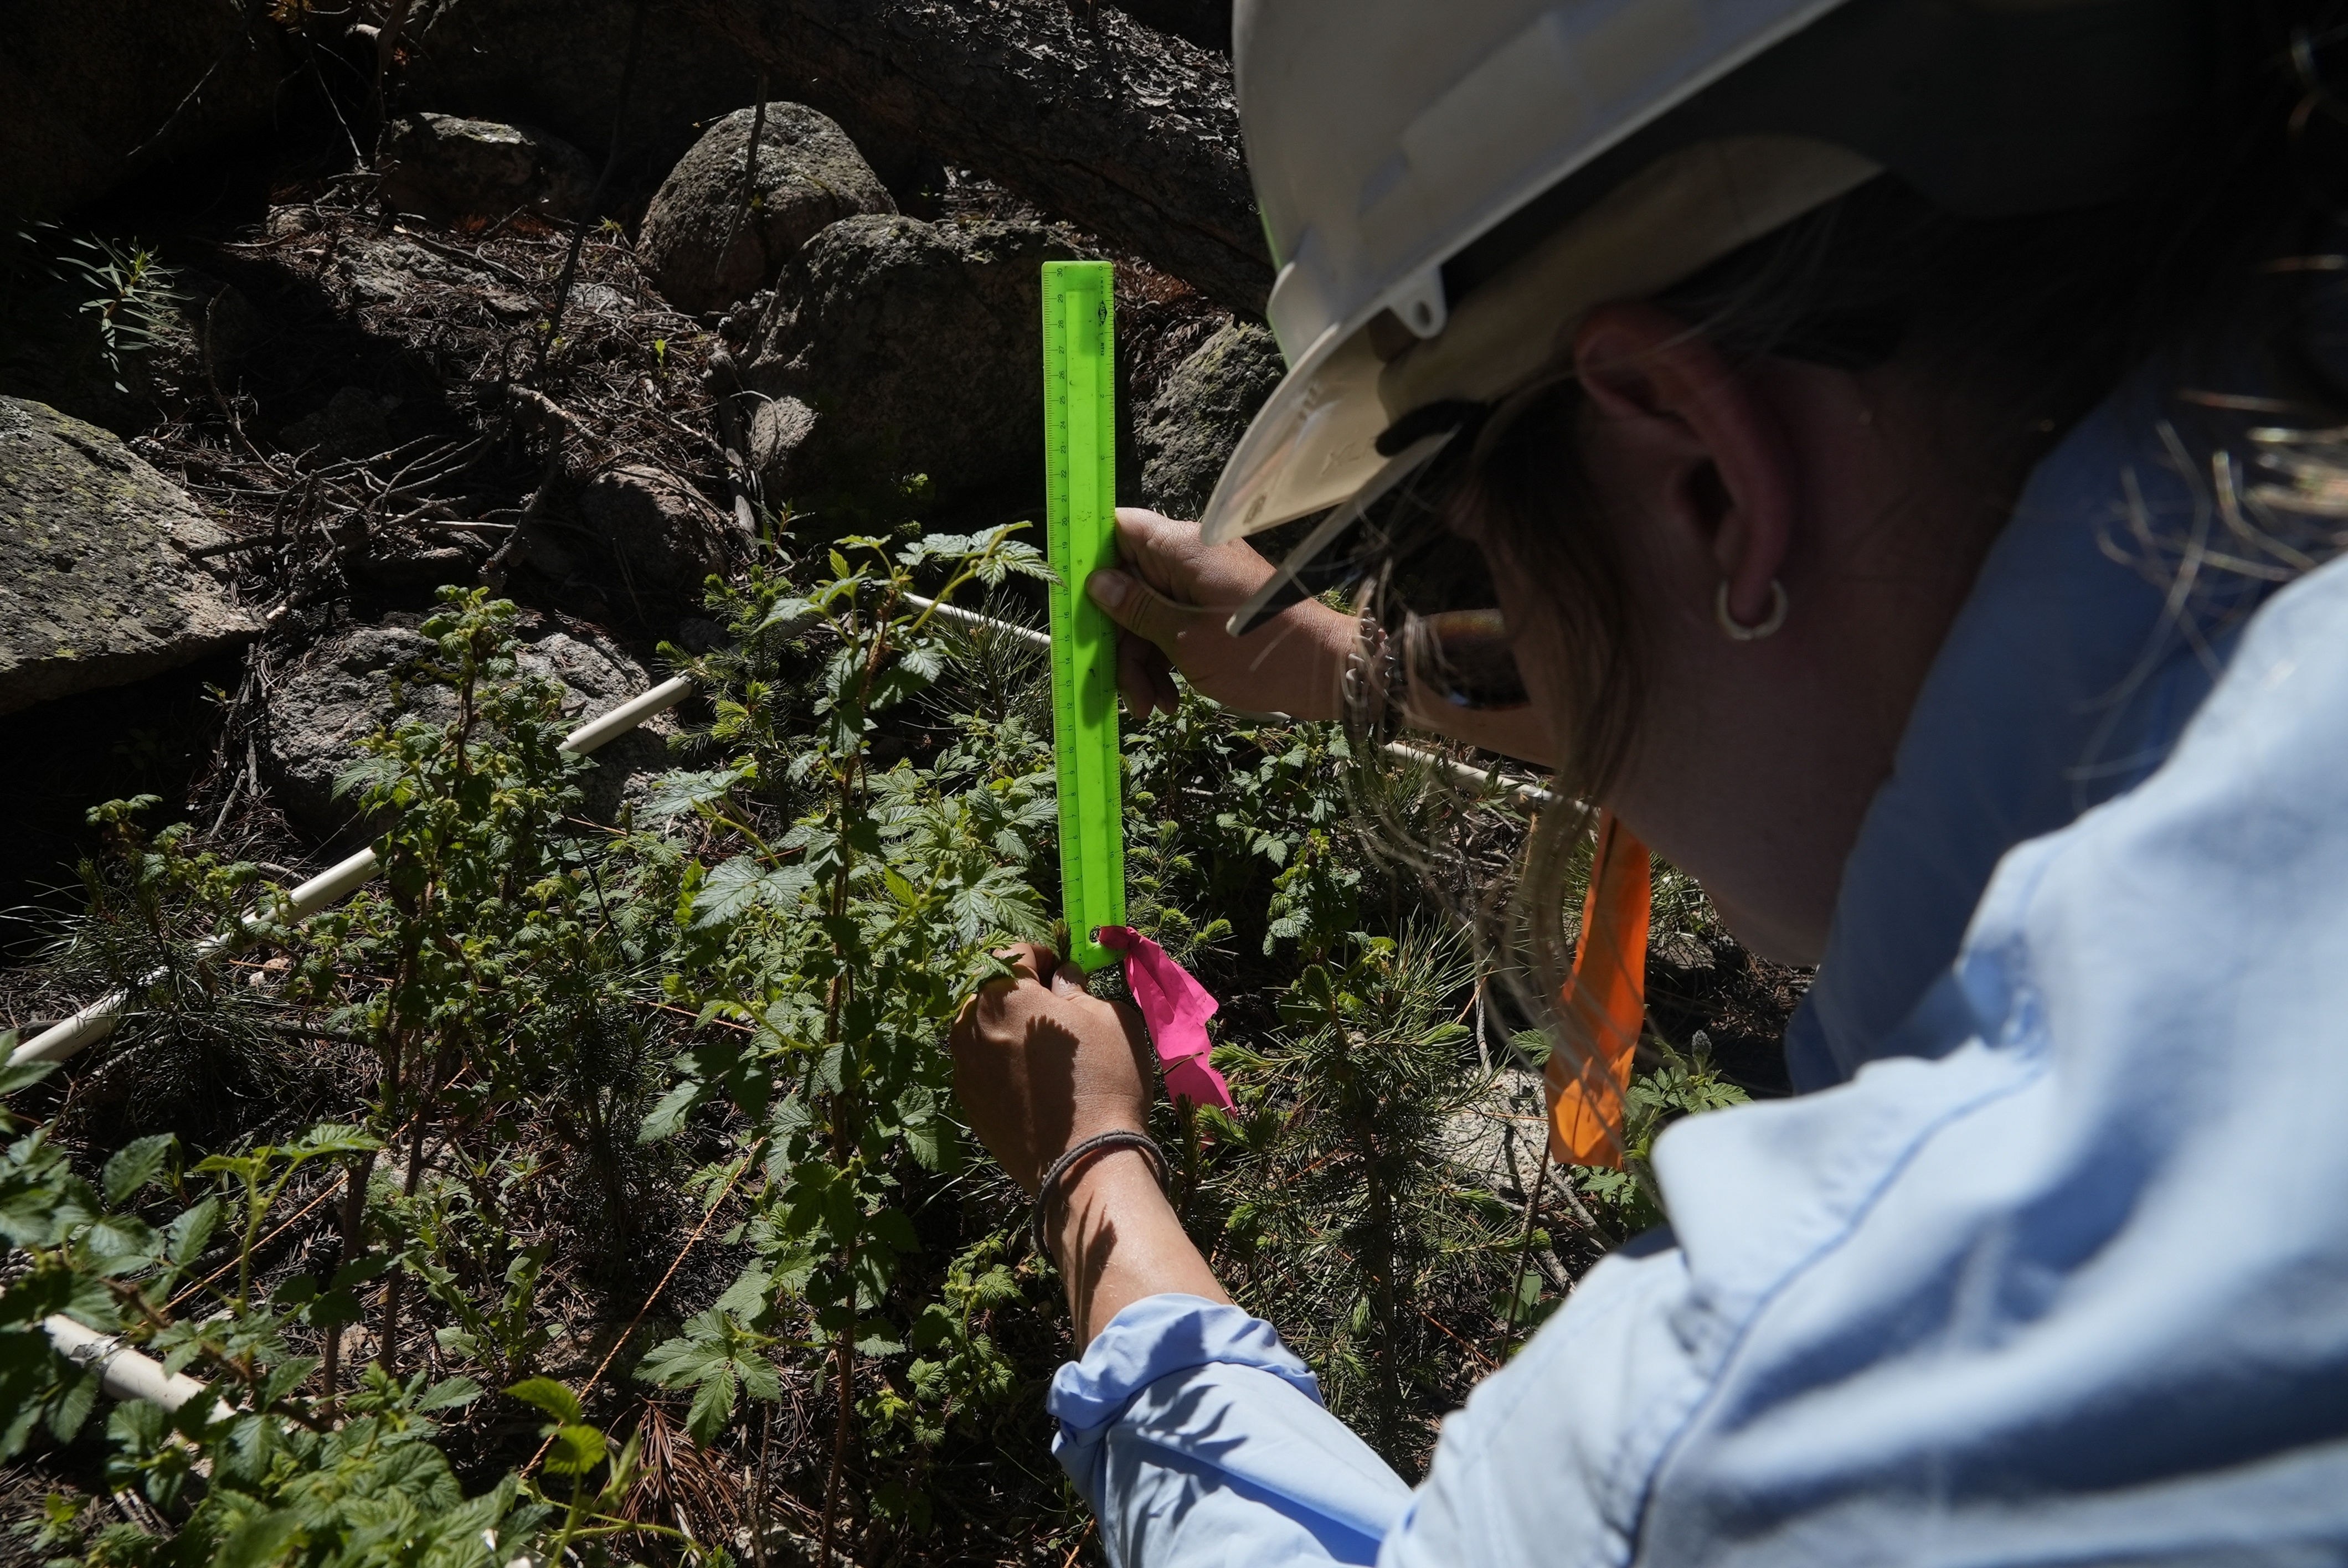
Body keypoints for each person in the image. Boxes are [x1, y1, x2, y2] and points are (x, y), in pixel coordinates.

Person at [951, 0, 2348, 1560]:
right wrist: (1355, 661)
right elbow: (1814, 633)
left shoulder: (1780, 1422)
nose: (1472, 594)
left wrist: (1093, 1169)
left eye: (1456, 536)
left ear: (1692, 462)